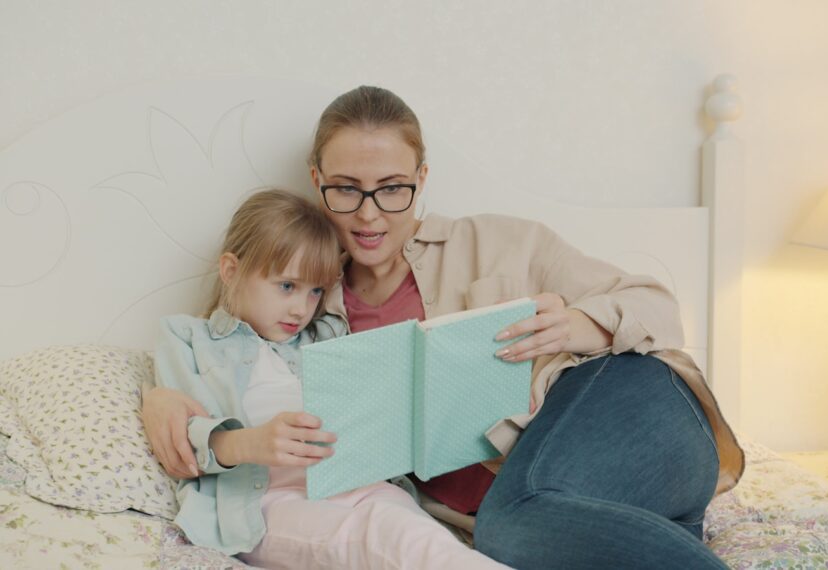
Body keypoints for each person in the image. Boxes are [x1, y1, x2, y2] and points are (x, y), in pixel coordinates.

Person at [144, 87, 743, 569]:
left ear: (422, 179)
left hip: (636, 410)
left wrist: (579, 324)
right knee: (513, 534)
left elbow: (657, 305)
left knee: (513, 524)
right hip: (579, 505)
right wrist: (158, 398)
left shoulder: (501, 242)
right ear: (317, 180)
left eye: (393, 189)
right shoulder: (307, 309)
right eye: (346, 190)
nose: (370, 213)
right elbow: (232, 354)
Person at [152, 189, 509, 569]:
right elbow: (182, 441)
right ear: (231, 270)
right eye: (287, 286)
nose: (300, 308)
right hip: (266, 502)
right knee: (382, 539)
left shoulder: (326, 336)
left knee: (428, 543)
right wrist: (250, 443)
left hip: (360, 487)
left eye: (315, 291)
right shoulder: (189, 339)